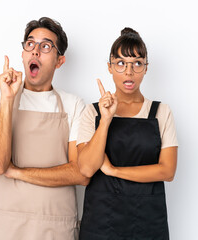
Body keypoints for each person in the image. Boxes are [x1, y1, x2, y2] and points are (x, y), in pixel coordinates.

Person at [0, 17, 89, 240]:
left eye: (46, 46)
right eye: (30, 44)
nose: (36, 51)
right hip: (6, 225)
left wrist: (19, 172)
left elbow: (80, 172)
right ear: (23, 54)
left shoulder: (74, 105)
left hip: (56, 225)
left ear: (60, 61)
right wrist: (7, 101)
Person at [77, 27, 178, 239]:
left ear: (146, 68)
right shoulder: (92, 112)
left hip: (148, 223)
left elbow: (167, 171)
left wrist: (114, 171)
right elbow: (86, 168)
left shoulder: (161, 112)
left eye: (137, 64)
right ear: (110, 67)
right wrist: (105, 120)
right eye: (121, 63)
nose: (129, 72)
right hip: (101, 223)